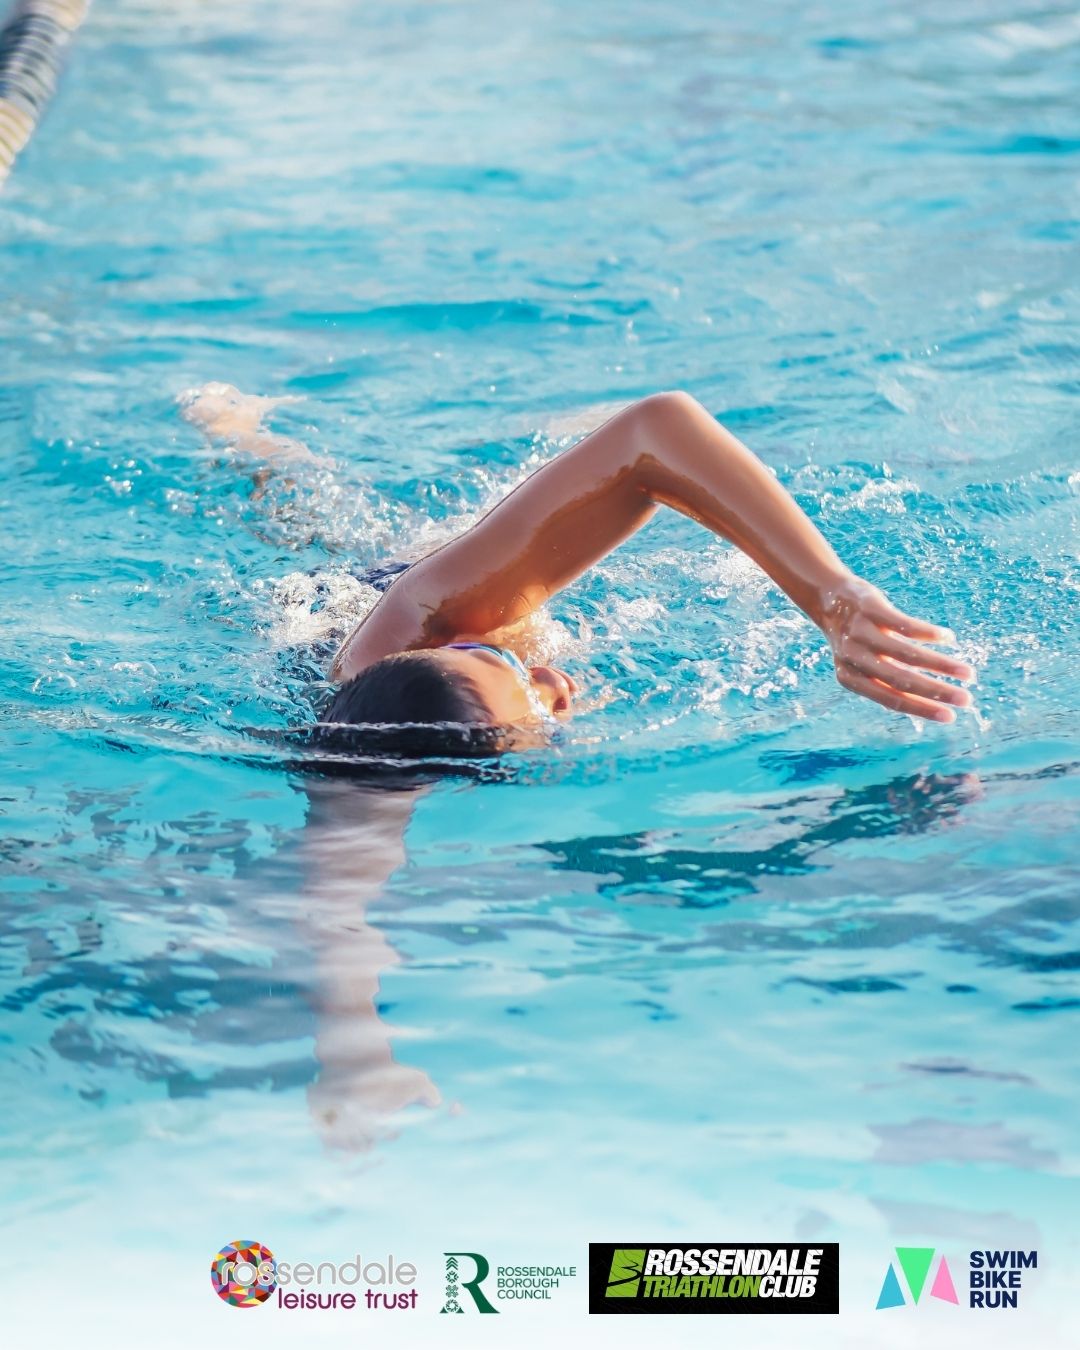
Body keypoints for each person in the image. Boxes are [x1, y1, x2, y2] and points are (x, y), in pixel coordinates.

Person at [325, 390, 973, 732]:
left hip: (374, 585)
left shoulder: (420, 623)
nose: (557, 680)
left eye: (502, 659)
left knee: (310, 504)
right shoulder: (397, 747)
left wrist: (831, 595)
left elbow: (656, 432)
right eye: (543, 706)